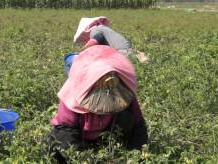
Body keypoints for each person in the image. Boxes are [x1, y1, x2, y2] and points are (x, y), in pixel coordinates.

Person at [47, 17, 148, 163]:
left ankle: (114, 150)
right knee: (53, 146)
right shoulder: (73, 94)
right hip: (79, 138)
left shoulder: (123, 90)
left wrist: (136, 157)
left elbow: (139, 126)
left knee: (127, 118)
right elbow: (66, 134)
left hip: (107, 137)